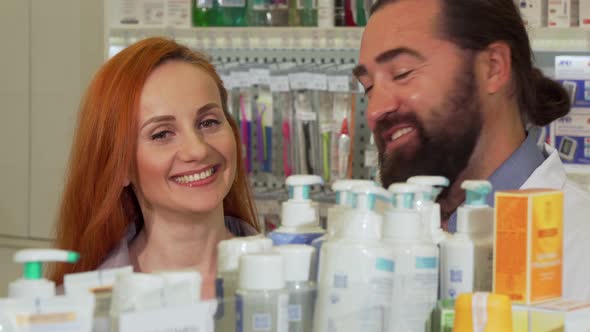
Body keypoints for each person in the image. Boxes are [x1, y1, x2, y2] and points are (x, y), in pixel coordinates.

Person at [355, 0, 590, 300]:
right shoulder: (373, 243)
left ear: (493, 67)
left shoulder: (581, 249)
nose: (374, 110)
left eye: (402, 73)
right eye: (368, 87)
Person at [49, 37, 259, 299]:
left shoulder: (304, 281)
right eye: (161, 134)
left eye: (208, 122)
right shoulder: (74, 308)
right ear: (120, 165)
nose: (198, 150)